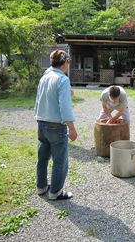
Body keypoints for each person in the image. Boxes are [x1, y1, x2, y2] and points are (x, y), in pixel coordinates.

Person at [34, 50, 78, 200]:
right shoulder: (62, 79)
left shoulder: (45, 77)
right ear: (65, 62)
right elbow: (64, 107)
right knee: (60, 160)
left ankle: (41, 187)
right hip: (56, 126)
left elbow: (41, 99)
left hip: (41, 122)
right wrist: (72, 128)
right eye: (68, 62)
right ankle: (55, 192)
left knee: (43, 158)